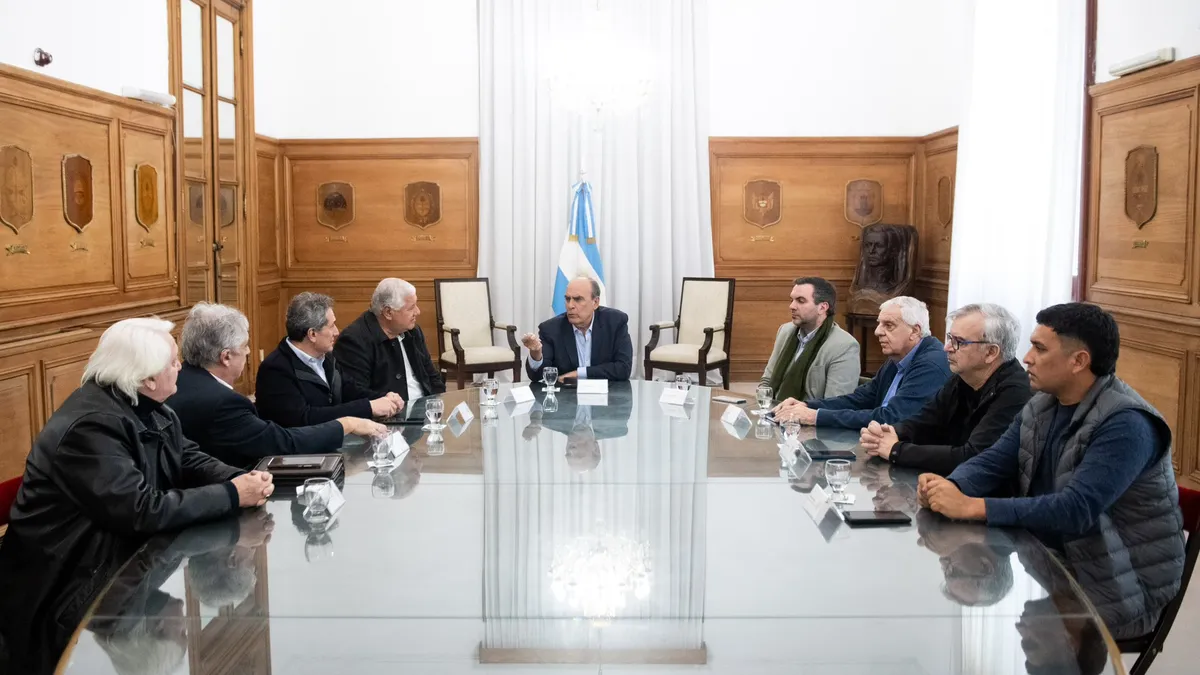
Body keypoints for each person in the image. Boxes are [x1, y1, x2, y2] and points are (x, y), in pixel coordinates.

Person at [0, 318, 274, 673]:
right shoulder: (91, 428)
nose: (181, 367)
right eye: (172, 362)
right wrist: (232, 495)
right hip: (65, 590)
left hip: (115, 567)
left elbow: (187, 457)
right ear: (147, 378)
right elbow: (141, 510)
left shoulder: (148, 406)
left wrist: (238, 478)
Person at [919, 303, 1185, 639]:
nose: (1026, 358)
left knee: (989, 625)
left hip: (1116, 588)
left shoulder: (1127, 424)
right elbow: (993, 461)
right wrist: (947, 487)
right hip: (1051, 564)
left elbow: (1076, 509)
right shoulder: (1042, 403)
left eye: (1040, 348)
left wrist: (973, 506)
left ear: (1079, 361)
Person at [168, 303, 385, 469]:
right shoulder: (223, 402)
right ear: (226, 357)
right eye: (244, 346)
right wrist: (346, 424)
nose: (248, 352)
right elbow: (281, 443)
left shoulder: (180, 380)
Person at [860, 303, 1032, 474]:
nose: (947, 348)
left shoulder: (1015, 392)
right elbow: (926, 420)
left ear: (991, 352)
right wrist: (891, 432)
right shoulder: (963, 377)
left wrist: (896, 450)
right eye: (950, 338)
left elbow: (973, 456)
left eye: (959, 342)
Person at [774, 296, 950, 429]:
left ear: (915, 331)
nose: (877, 331)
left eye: (888, 325)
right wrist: (806, 405)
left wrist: (815, 417)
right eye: (879, 324)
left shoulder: (931, 365)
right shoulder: (898, 356)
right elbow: (860, 399)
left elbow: (890, 418)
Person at [256, 292, 403, 427]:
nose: (337, 332)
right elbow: (304, 418)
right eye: (331, 326)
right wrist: (368, 407)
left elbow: (349, 390)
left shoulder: (326, 356)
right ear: (312, 334)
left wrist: (383, 398)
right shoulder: (275, 370)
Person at [333, 277, 446, 401]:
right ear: (388, 312)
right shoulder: (354, 341)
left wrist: (438, 403)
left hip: (426, 406)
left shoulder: (412, 331)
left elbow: (432, 376)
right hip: (390, 411)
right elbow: (356, 395)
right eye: (411, 308)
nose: (418, 312)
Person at [760, 277, 861, 401]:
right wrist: (763, 405)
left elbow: (835, 403)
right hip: (773, 408)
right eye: (792, 300)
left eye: (800, 301)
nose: (792, 306)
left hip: (808, 412)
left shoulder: (845, 345)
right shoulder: (785, 331)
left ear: (822, 307)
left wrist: (794, 411)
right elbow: (767, 381)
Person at [522, 276, 633, 382]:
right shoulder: (551, 329)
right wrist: (536, 354)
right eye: (567, 299)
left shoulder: (615, 322)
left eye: (578, 299)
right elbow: (537, 377)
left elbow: (623, 368)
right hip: (567, 393)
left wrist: (580, 373)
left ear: (595, 302)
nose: (570, 305)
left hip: (608, 392)